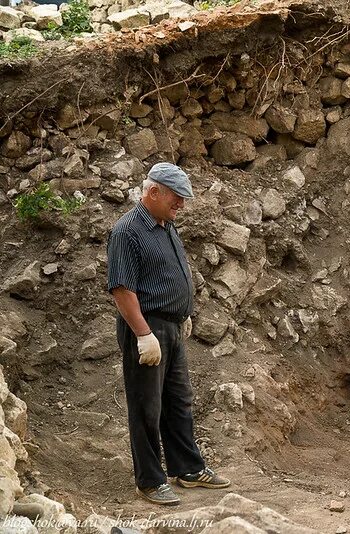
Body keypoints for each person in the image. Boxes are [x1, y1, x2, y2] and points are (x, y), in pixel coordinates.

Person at [107, 162, 229, 506]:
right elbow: (121, 289)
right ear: (153, 192)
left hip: (172, 327)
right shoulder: (127, 231)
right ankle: (149, 480)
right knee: (147, 405)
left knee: (178, 401)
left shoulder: (165, 225)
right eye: (177, 198)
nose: (182, 205)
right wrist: (144, 335)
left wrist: (182, 314)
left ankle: (188, 469)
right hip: (146, 327)